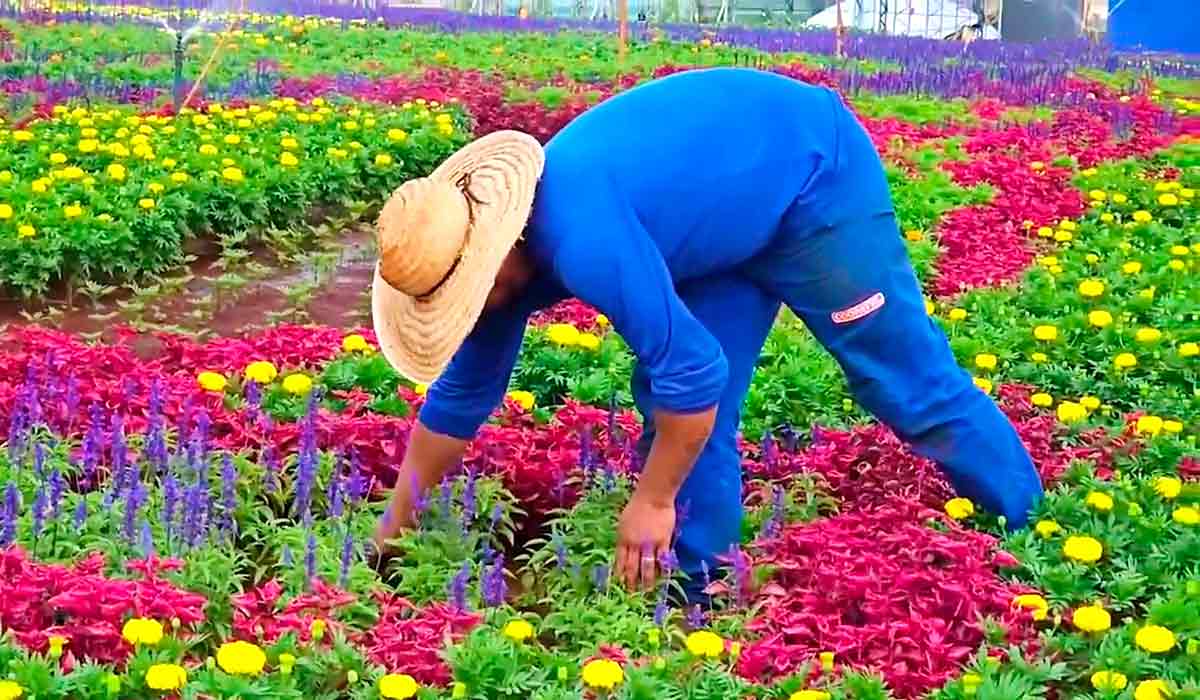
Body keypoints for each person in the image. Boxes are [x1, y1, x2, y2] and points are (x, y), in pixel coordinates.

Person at [369, 67, 1043, 602]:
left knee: (899, 377)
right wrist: (391, 532)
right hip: (724, 222)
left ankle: (1029, 526)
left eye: (457, 297)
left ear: (489, 255)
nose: (460, 311)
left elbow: (691, 378)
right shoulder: (502, 271)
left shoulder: (582, 235)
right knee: (682, 406)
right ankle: (701, 591)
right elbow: (459, 400)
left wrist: (651, 499)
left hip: (810, 177)